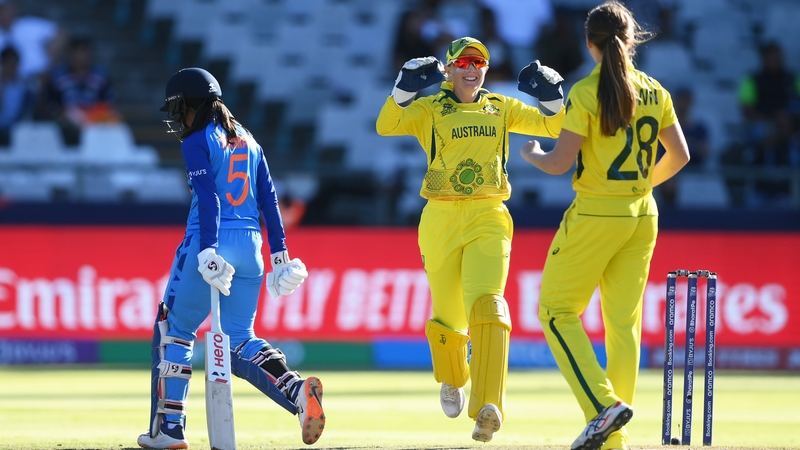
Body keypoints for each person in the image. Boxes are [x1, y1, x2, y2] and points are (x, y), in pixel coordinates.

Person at [376, 36, 565, 442]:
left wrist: (552, 95)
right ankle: (453, 378)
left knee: (489, 305)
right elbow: (386, 124)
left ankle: (487, 407)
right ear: (447, 70)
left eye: (478, 62)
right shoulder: (429, 109)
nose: (471, 69)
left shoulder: (501, 107)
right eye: (462, 62)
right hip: (440, 217)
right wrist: (404, 87)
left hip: (488, 215)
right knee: (448, 320)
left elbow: (553, 125)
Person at [518, 2, 689, 449]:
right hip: (642, 213)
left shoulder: (587, 90)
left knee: (555, 311)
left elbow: (558, 164)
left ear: (588, 42)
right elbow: (681, 156)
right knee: (623, 327)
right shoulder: (655, 89)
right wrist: (637, 187)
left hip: (596, 215)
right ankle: (614, 439)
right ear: (631, 39)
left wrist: (531, 154)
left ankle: (604, 408)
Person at [137, 67, 325, 449]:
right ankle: (295, 390)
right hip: (252, 247)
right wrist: (281, 256)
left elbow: (209, 198)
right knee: (241, 339)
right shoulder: (250, 140)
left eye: (179, 108)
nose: (177, 116)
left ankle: (168, 429)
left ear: (192, 104)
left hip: (211, 241)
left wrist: (207, 249)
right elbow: (270, 200)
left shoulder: (196, 141)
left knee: (173, 328)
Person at [39, 36, 120, 145]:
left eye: (83, 51)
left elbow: (109, 104)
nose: (80, 56)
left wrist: (91, 117)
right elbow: (50, 105)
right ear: (70, 54)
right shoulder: (58, 76)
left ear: (90, 54)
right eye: (76, 51)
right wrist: (66, 115)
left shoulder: (101, 76)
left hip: (95, 123)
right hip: (65, 125)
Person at [0, 0, 66, 82]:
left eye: (5, 9)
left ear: (13, 9)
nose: (3, 14)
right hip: (7, 83)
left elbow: (60, 33)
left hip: (39, 78)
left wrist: (52, 54)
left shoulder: (28, 25)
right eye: (0, 10)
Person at [0, 45, 34, 146]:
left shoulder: (23, 88)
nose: (12, 67)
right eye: (9, 64)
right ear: (3, 63)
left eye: (14, 64)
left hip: (13, 129)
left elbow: (23, 113)